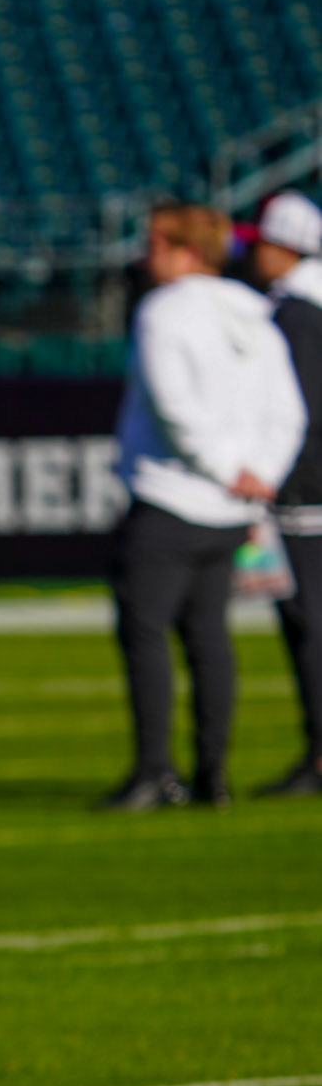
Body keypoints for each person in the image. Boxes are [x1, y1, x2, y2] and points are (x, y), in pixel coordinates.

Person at [105, 201, 306, 811]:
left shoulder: (165, 311)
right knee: (209, 639)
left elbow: (174, 406)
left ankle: (155, 770)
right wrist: (258, 474)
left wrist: (227, 469)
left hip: (173, 497)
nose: (148, 258)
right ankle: (211, 774)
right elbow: (288, 413)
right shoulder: (255, 314)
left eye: (158, 245)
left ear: (185, 250)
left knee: (145, 631)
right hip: (232, 509)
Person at [249, 191, 322, 796]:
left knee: (309, 622)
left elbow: (296, 411)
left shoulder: (297, 313)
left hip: (307, 493)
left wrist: (281, 481)